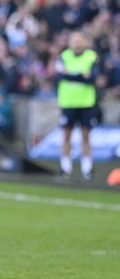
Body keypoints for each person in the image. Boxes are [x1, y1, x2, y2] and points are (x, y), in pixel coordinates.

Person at [56, 30, 99, 181]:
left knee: (85, 136)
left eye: (80, 40)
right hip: (68, 102)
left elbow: (92, 77)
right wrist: (81, 75)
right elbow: (60, 75)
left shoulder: (91, 57)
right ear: (70, 42)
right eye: (75, 40)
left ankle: (87, 168)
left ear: (85, 42)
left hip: (86, 102)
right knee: (66, 135)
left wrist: (71, 75)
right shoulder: (63, 56)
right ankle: (65, 167)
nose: (77, 43)